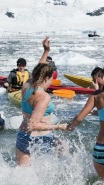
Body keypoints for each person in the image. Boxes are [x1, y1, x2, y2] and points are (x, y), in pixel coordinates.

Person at [15, 36, 68, 166]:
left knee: (22, 176)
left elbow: (37, 71)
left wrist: (46, 51)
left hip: (22, 137)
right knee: (64, 151)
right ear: (46, 78)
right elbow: (33, 125)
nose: (51, 82)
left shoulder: (27, 85)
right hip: (40, 139)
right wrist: (59, 126)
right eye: (51, 79)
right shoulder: (43, 96)